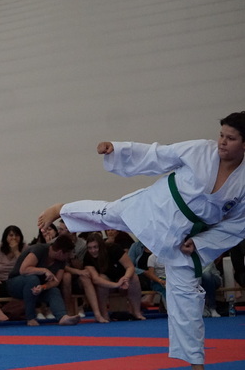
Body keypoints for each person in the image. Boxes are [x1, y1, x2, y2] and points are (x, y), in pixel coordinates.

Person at [37, 111, 245, 370]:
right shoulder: (201, 150)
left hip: (184, 238)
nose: (222, 142)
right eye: (221, 135)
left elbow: (237, 225)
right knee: (107, 214)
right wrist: (118, 150)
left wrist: (201, 243)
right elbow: (159, 155)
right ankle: (62, 208)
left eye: (230, 138)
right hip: (156, 206)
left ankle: (195, 362)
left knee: (187, 298)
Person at [7, 235, 81, 327]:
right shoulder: (39, 249)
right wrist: (44, 270)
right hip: (16, 284)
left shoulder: (61, 260)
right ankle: (30, 317)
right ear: (60, 252)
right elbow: (23, 270)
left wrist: (43, 287)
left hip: (37, 286)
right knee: (32, 279)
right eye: (68, 254)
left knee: (54, 290)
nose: (68, 257)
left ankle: (62, 317)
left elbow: (56, 281)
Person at [82, 233, 145, 321]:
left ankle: (137, 312)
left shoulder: (114, 249)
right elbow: (96, 279)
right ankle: (104, 314)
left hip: (122, 277)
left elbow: (130, 267)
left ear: (101, 246)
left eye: (95, 247)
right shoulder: (88, 257)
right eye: (90, 248)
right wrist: (116, 285)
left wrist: (125, 278)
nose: (93, 251)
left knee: (134, 278)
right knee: (101, 279)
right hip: (109, 283)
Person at [0, 225, 25, 297]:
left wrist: (16, 251)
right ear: (6, 237)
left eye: (17, 235)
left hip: (16, 281)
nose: (14, 238)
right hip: (0, 281)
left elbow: (25, 264)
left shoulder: (25, 248)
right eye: (11, 235)